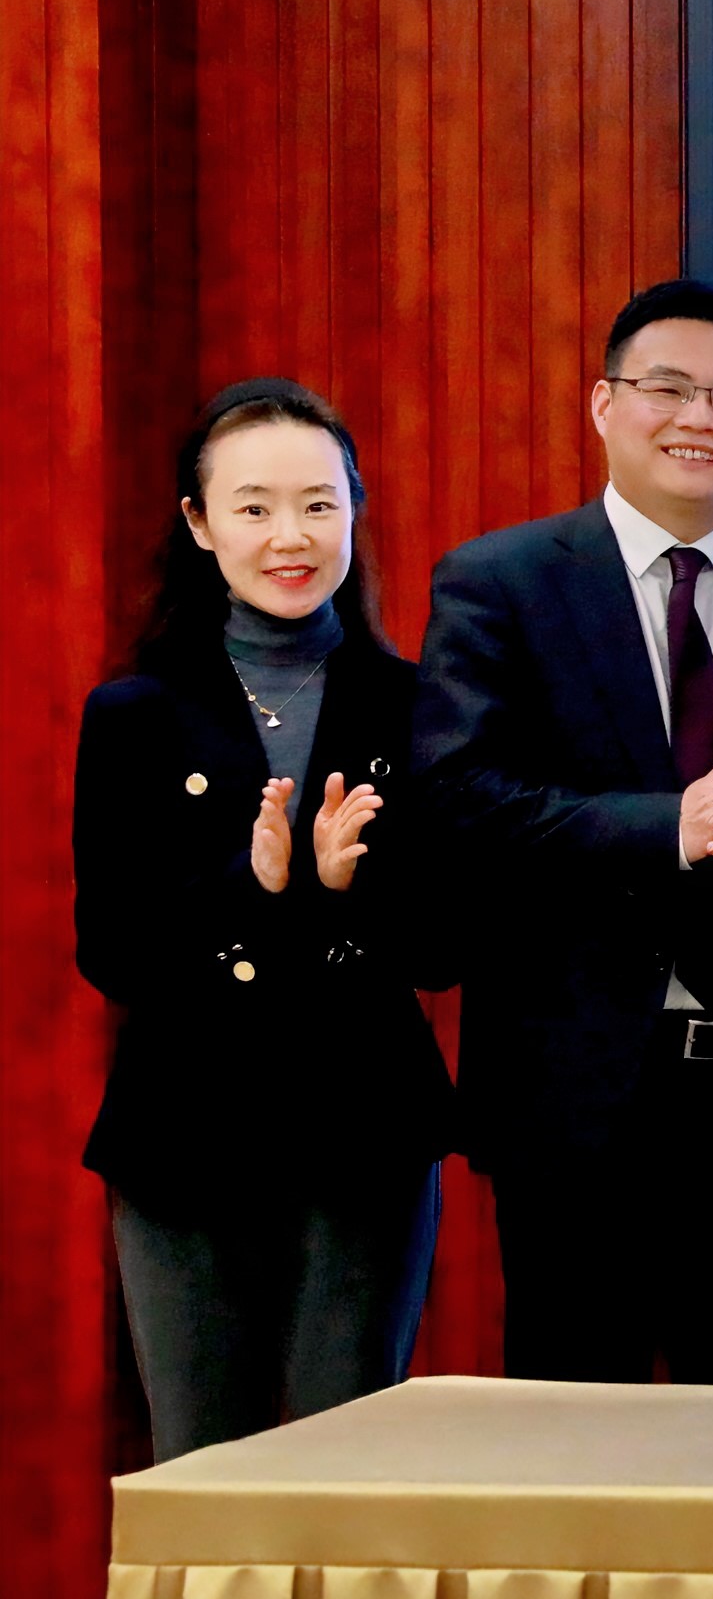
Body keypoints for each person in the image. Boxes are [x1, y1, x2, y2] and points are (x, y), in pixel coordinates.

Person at [414, 280, 713, 1384]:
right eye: (667, 387)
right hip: (577, 1096)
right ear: (603, 404)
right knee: (578, 1430)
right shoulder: (503, 584)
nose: (698, 417)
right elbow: (462, 799)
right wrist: (672, 827)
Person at [73, 380, 450, 1457]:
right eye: (254, 507)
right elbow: (114, 952)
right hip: (185, 1133)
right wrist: (253, 884)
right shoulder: (135, 713)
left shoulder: (417, 704)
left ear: (354, 511)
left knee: (348, 1461)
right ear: (199, 523)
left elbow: (445, 946)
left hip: (364, 1130)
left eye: (319, 504)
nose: (291, 536)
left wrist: (347, 886)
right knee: (201, 1464)